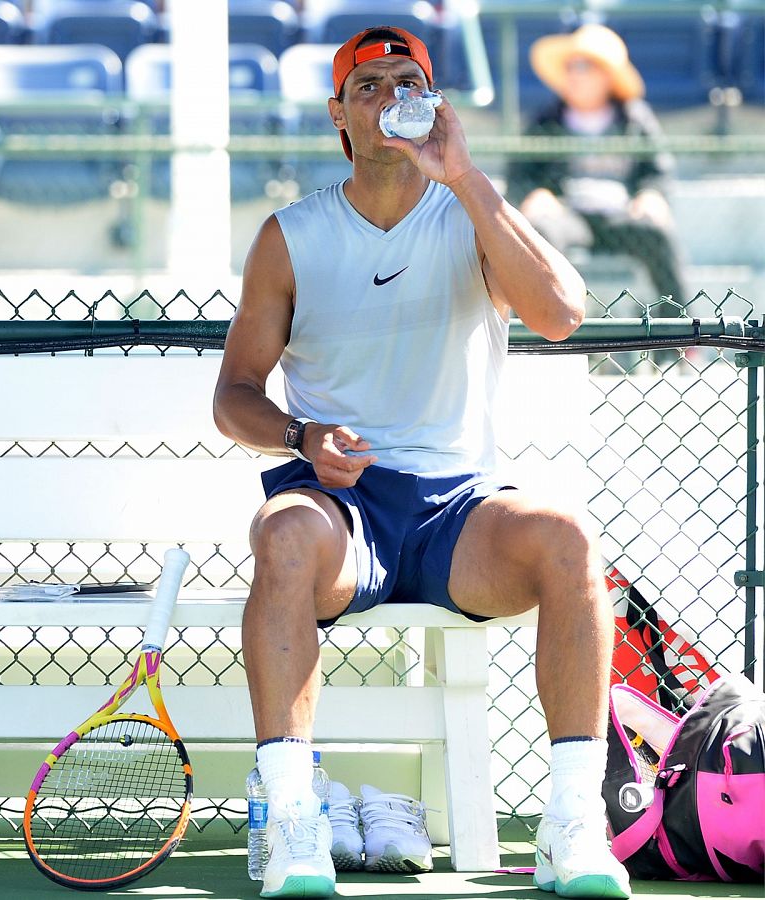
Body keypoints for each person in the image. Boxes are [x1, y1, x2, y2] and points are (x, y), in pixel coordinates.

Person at [213, 27, 631, 900]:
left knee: (567, 541)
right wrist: (300, 438)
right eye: (368, 86)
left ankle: (571, 828)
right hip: (341, 506)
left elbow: (560, 315)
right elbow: (236, 396)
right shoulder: (290, 235)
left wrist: (466, 177)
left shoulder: (471, 209)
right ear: (339, 114)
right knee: (282, 532)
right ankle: (294, 825)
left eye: (409, 82)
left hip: (457, 511)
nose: (391, 97)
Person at [508, 24, 686, 321]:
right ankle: (533, 328)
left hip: (620, 217)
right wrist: (535, 194)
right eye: (570, 66)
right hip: (569, 215)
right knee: (540, 232)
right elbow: (521, 174)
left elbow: (657, 170)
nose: (574, 73)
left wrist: (651, 195)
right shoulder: (545, 120)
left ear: (607, 75)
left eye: (584, 66)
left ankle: (680, 335)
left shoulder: (635, 119)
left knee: (658, 233)